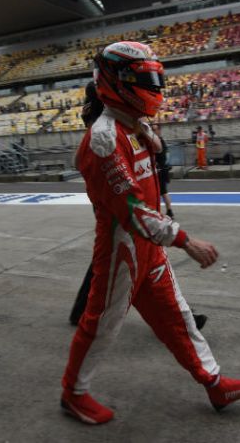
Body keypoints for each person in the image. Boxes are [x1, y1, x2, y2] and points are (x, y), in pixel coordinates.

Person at [61, 41, 240, 425]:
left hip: (149, 250)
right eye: (146, 80)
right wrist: (188, 242)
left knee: (179, 318)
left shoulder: (136, 126)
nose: (155, 89)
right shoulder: (104, 139)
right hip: (122, 251)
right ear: (117, 82)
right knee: (101, 325)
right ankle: (73, 393)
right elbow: (135, 214)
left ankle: (215, 384)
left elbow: (148, 192)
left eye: (156, 79)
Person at [68, 83, 208, 332]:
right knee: (129, 262)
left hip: (129, 197)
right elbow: (86, 157)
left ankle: (83, 311)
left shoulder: (117, 118)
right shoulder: (105, 123)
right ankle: (177, 319)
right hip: (120, 197)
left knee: (125, 261)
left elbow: (156, 146)